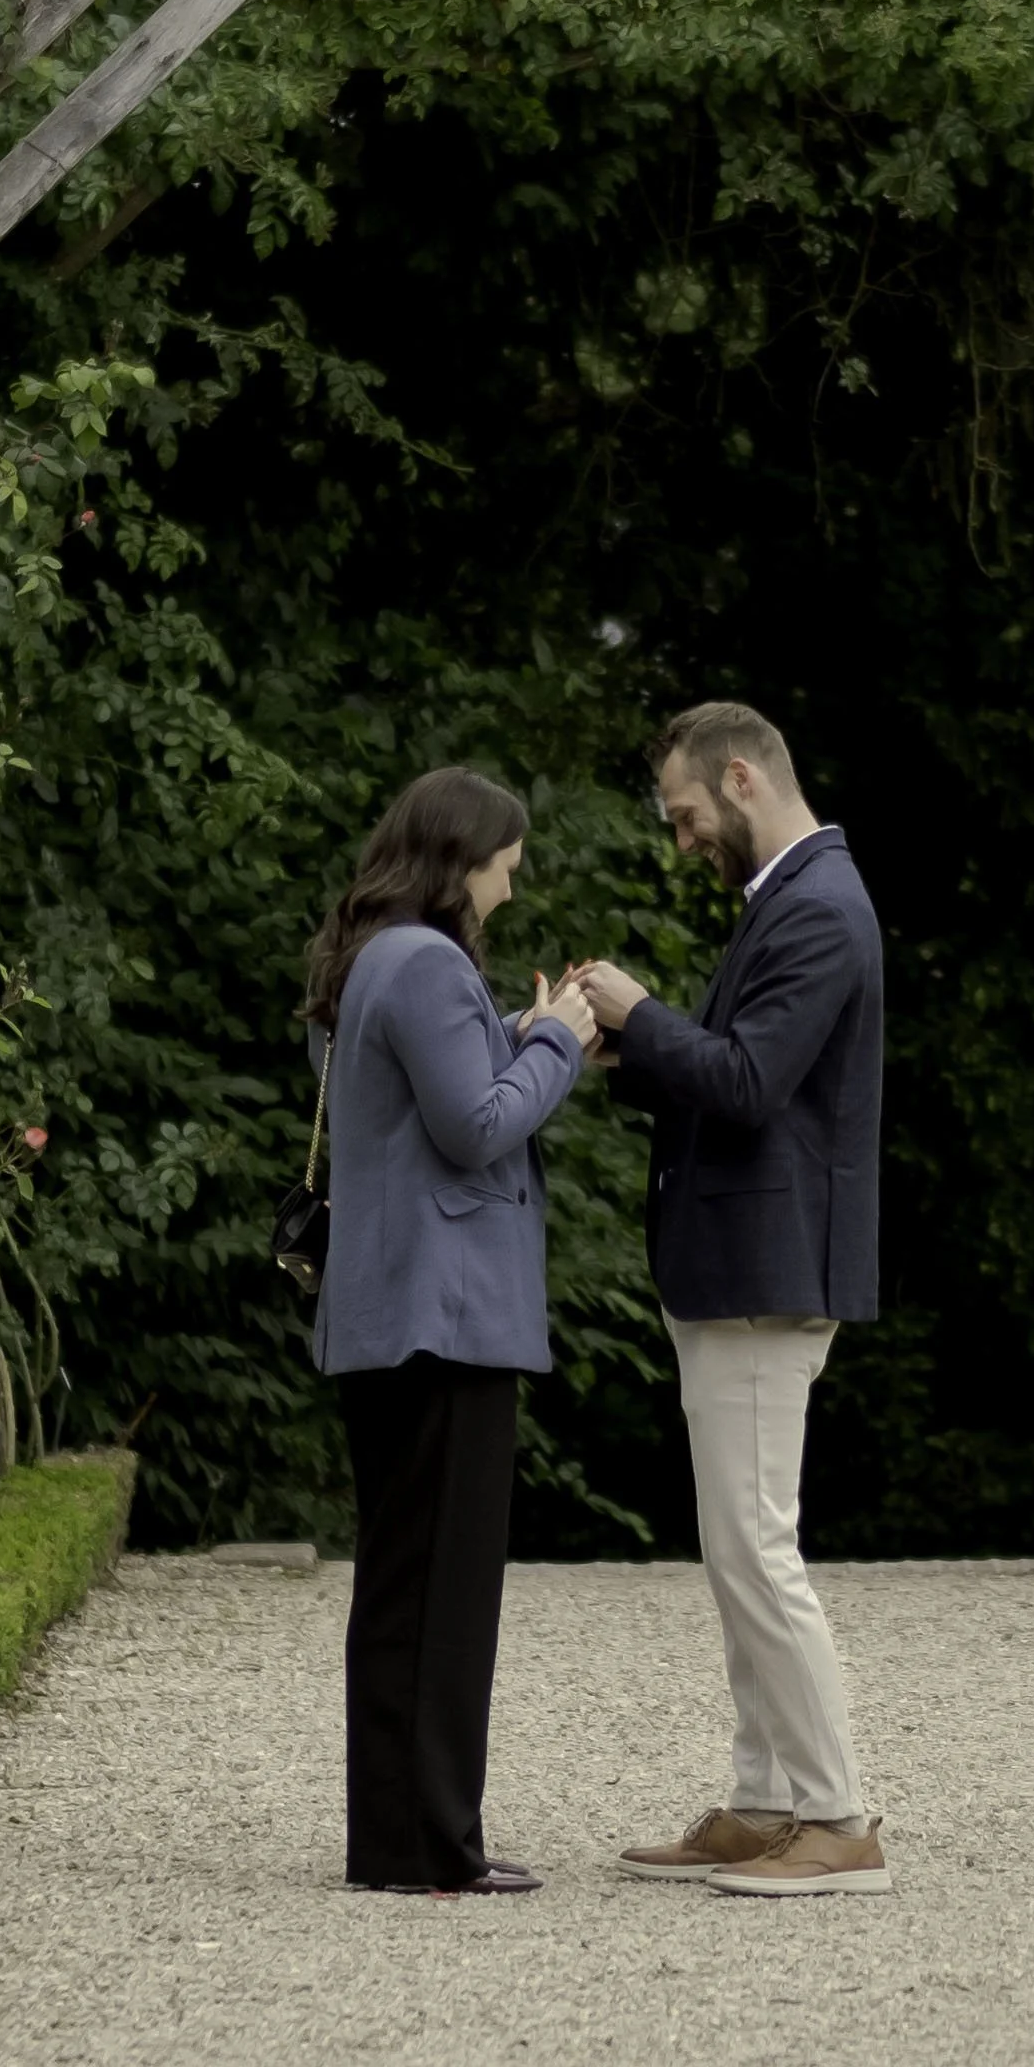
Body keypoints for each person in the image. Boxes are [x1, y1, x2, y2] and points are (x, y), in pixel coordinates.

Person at [576, 701, 888, 1899]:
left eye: (689, 816)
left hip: (767, 1274)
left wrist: (641, 1013)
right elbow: (745, 1079)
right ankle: (766, 1802)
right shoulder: (794, 899)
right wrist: (638, 1052)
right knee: (736, 1550)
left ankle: (838, 1818)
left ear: (744, 779)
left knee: (759, 1548)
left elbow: (754, 1085)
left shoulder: (819, 905)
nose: (683, 840)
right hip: (739, 1269)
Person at [306, 765, 596, 1896]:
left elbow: (423, 1106)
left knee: (400, 1587)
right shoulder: (426, 961)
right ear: (461, 860)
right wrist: (559, 1040)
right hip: (449, 1319)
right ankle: (431, 1844)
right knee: (443, 1598)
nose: (511, 889)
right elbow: (476, 1129)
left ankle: (397, 1839)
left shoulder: (370, 958)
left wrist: (515, 1030)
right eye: (506, 867)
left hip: (391, 1317)